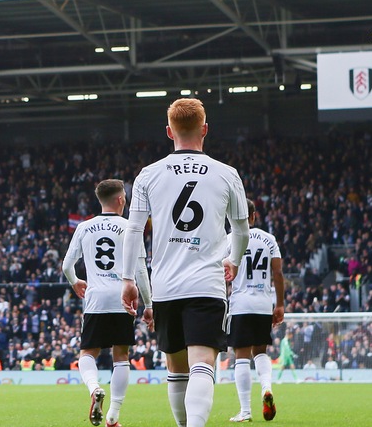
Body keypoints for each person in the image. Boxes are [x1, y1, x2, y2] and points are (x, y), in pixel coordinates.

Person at [121, 98, 249, 427]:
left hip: (165, 286)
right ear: (205, 129)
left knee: (177, 369)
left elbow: (133, 230)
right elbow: (241, 230)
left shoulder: (148, 175)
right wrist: (233, 260)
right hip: (206, 284)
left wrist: (128, 280)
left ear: (169, 131)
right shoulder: (227, 174)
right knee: (203, 364)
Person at [62, 179, 154, 427]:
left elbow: (67, 265)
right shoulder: (130, 227)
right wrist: (149, 305)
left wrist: (75, 282)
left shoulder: (84, 227)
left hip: (96, 299)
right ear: (121, 199)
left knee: (87, 353)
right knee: (121, 355)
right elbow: (140, 269)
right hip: (123, 297)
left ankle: (94, 388)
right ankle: (113, 416)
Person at [225, 199, 284, 423]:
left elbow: (221, 272)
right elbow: (278, 273)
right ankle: (266, 388)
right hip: (263, 304)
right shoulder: (269, 239)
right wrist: (280, 304)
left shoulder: (229, 239)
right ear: (253, 216)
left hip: (241, 303)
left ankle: (245, 410)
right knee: (260, 352)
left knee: (241, 356)